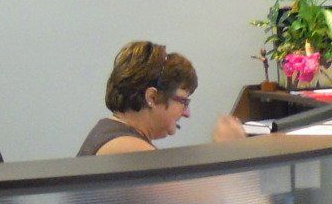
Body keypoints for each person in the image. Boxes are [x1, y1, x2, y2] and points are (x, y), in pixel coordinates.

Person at [79, 41, 247, 156]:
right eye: (183, 101)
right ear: (152, 97)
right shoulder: (127, 149)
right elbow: (199, 203)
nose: (187, 113)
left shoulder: (110, 131)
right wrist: (230, 149)